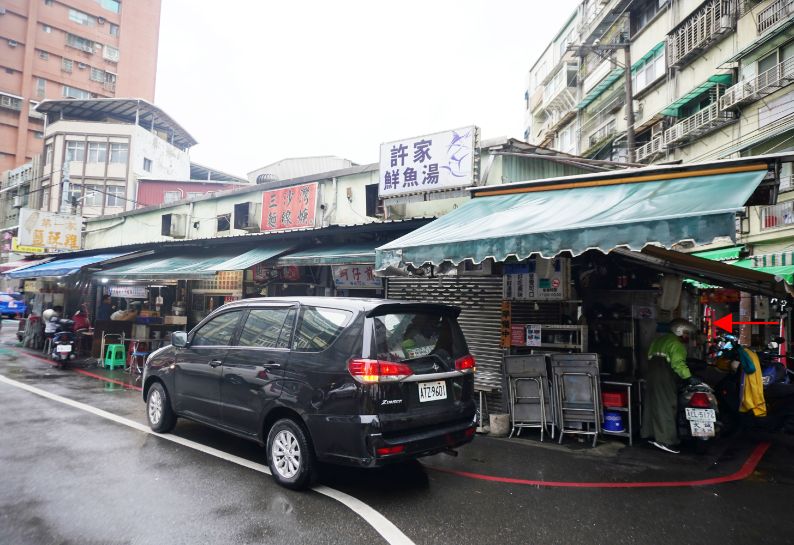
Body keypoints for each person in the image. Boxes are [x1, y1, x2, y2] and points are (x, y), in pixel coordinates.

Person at [641, 318, 700, 454]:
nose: (687, 336)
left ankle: (649, 434)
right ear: (679, 331)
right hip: (665, 377)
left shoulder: (658, 341)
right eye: (686, 333)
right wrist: (689, 377)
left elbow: (648, 356)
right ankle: (666, 440)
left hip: (652, 375)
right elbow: (678, 364)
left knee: (652, 404)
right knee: (667, 406)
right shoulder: (677, 344)